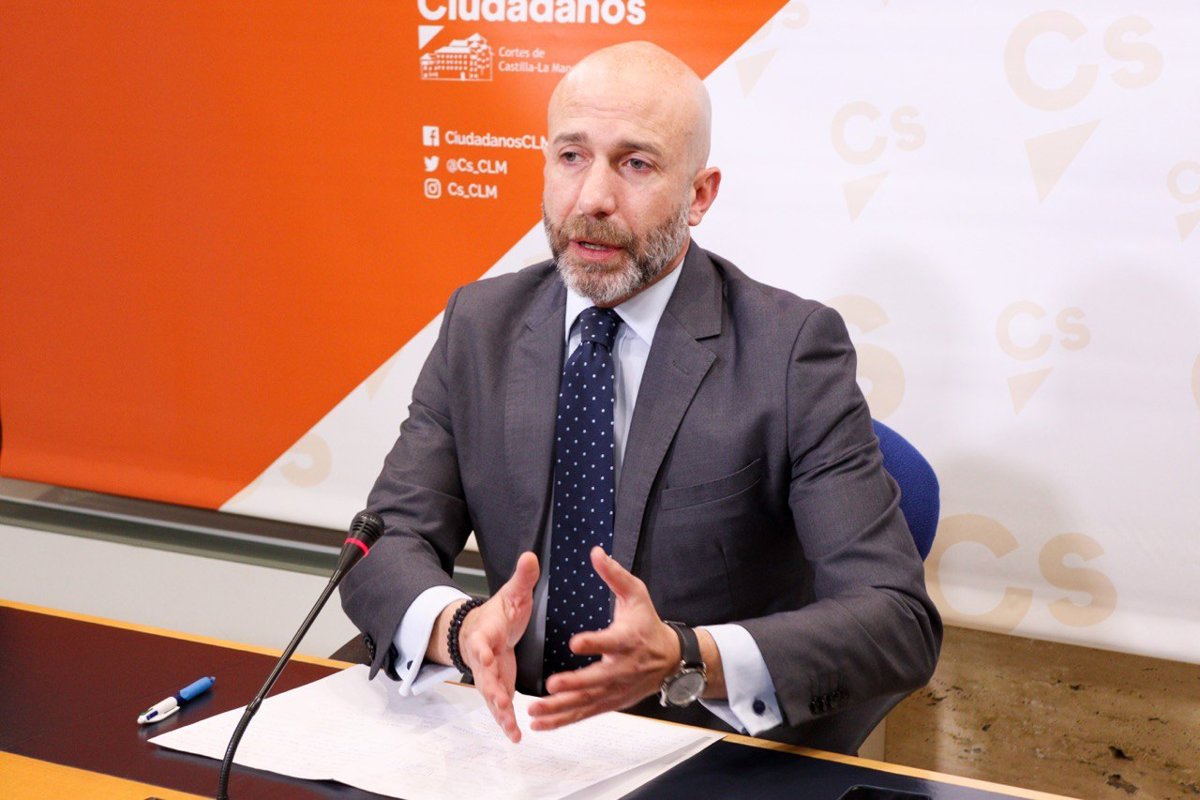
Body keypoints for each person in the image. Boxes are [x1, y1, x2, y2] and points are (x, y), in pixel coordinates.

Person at [339, 40, 941, 755]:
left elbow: (895, 620)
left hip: (697, 744)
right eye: (571, 156)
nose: (592, 198)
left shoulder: (790, 351)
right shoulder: (480, 325)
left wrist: (687, 656)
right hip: (508, 738)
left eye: (636, 164)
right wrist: (459, 626)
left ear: (700, 195)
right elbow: (384, 541)